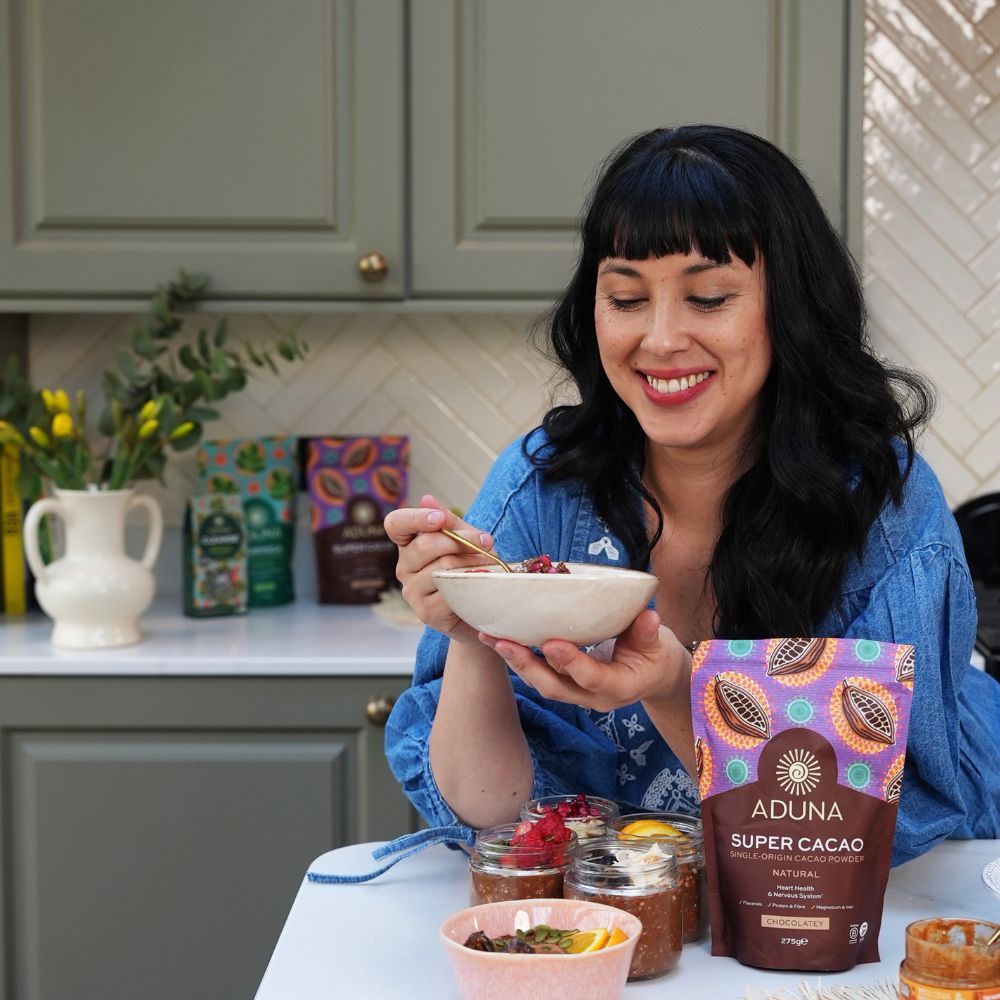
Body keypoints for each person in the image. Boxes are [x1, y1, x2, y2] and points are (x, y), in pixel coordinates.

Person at [383, 124, 1000, 866]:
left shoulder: (884, 510)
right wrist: (471, 627)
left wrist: (681, 689)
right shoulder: (542, 487)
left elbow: (866, 832)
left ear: (791, 308)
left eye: (708, 297)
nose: (662, 338)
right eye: (625, 297)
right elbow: (491, 816)